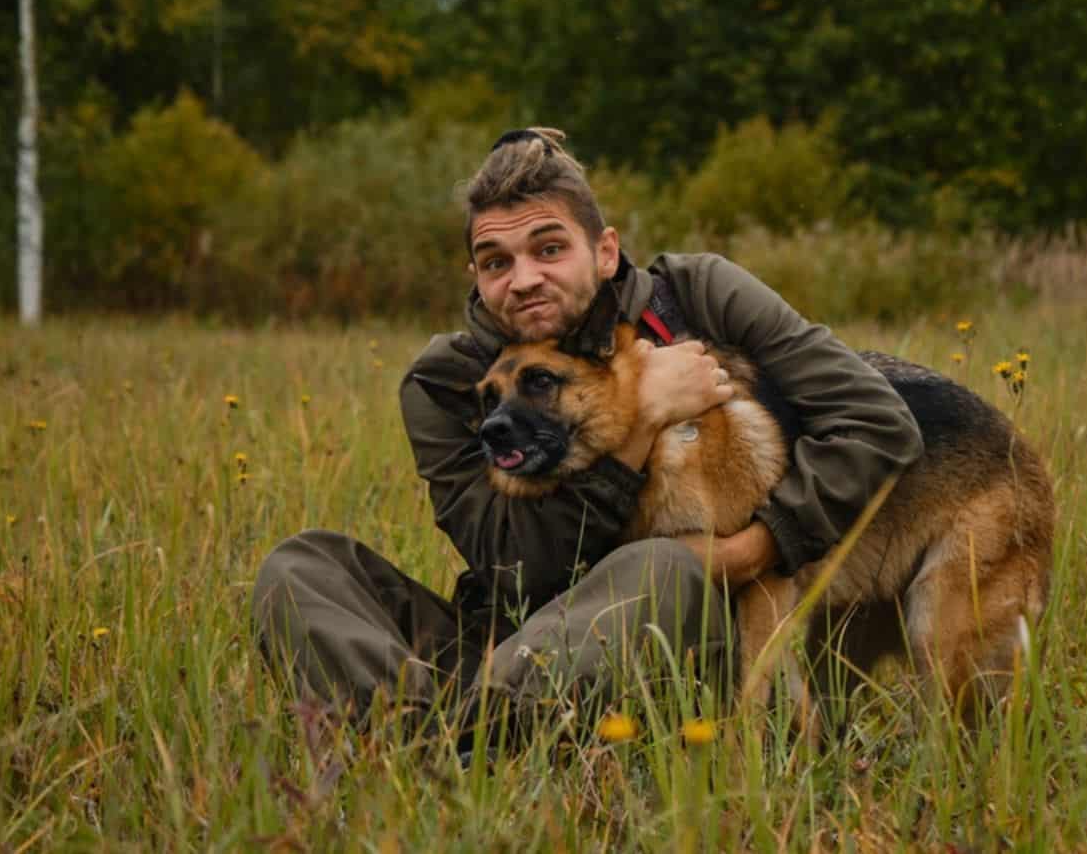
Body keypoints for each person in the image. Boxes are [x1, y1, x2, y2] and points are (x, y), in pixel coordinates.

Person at [251, 127, 922, 744]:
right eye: (495, 261)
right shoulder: (447, 382)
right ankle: (446, 732)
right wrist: (640, 426)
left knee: (658, 564)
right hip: (512, 638)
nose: (524, 280)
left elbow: (880, 422)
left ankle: (446, 742)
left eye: (549, 248)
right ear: (476, 278)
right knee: (301, 566)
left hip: (670, 639)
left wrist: (757, 547)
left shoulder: (697, 295)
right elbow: (515, 568)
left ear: (604, 251)